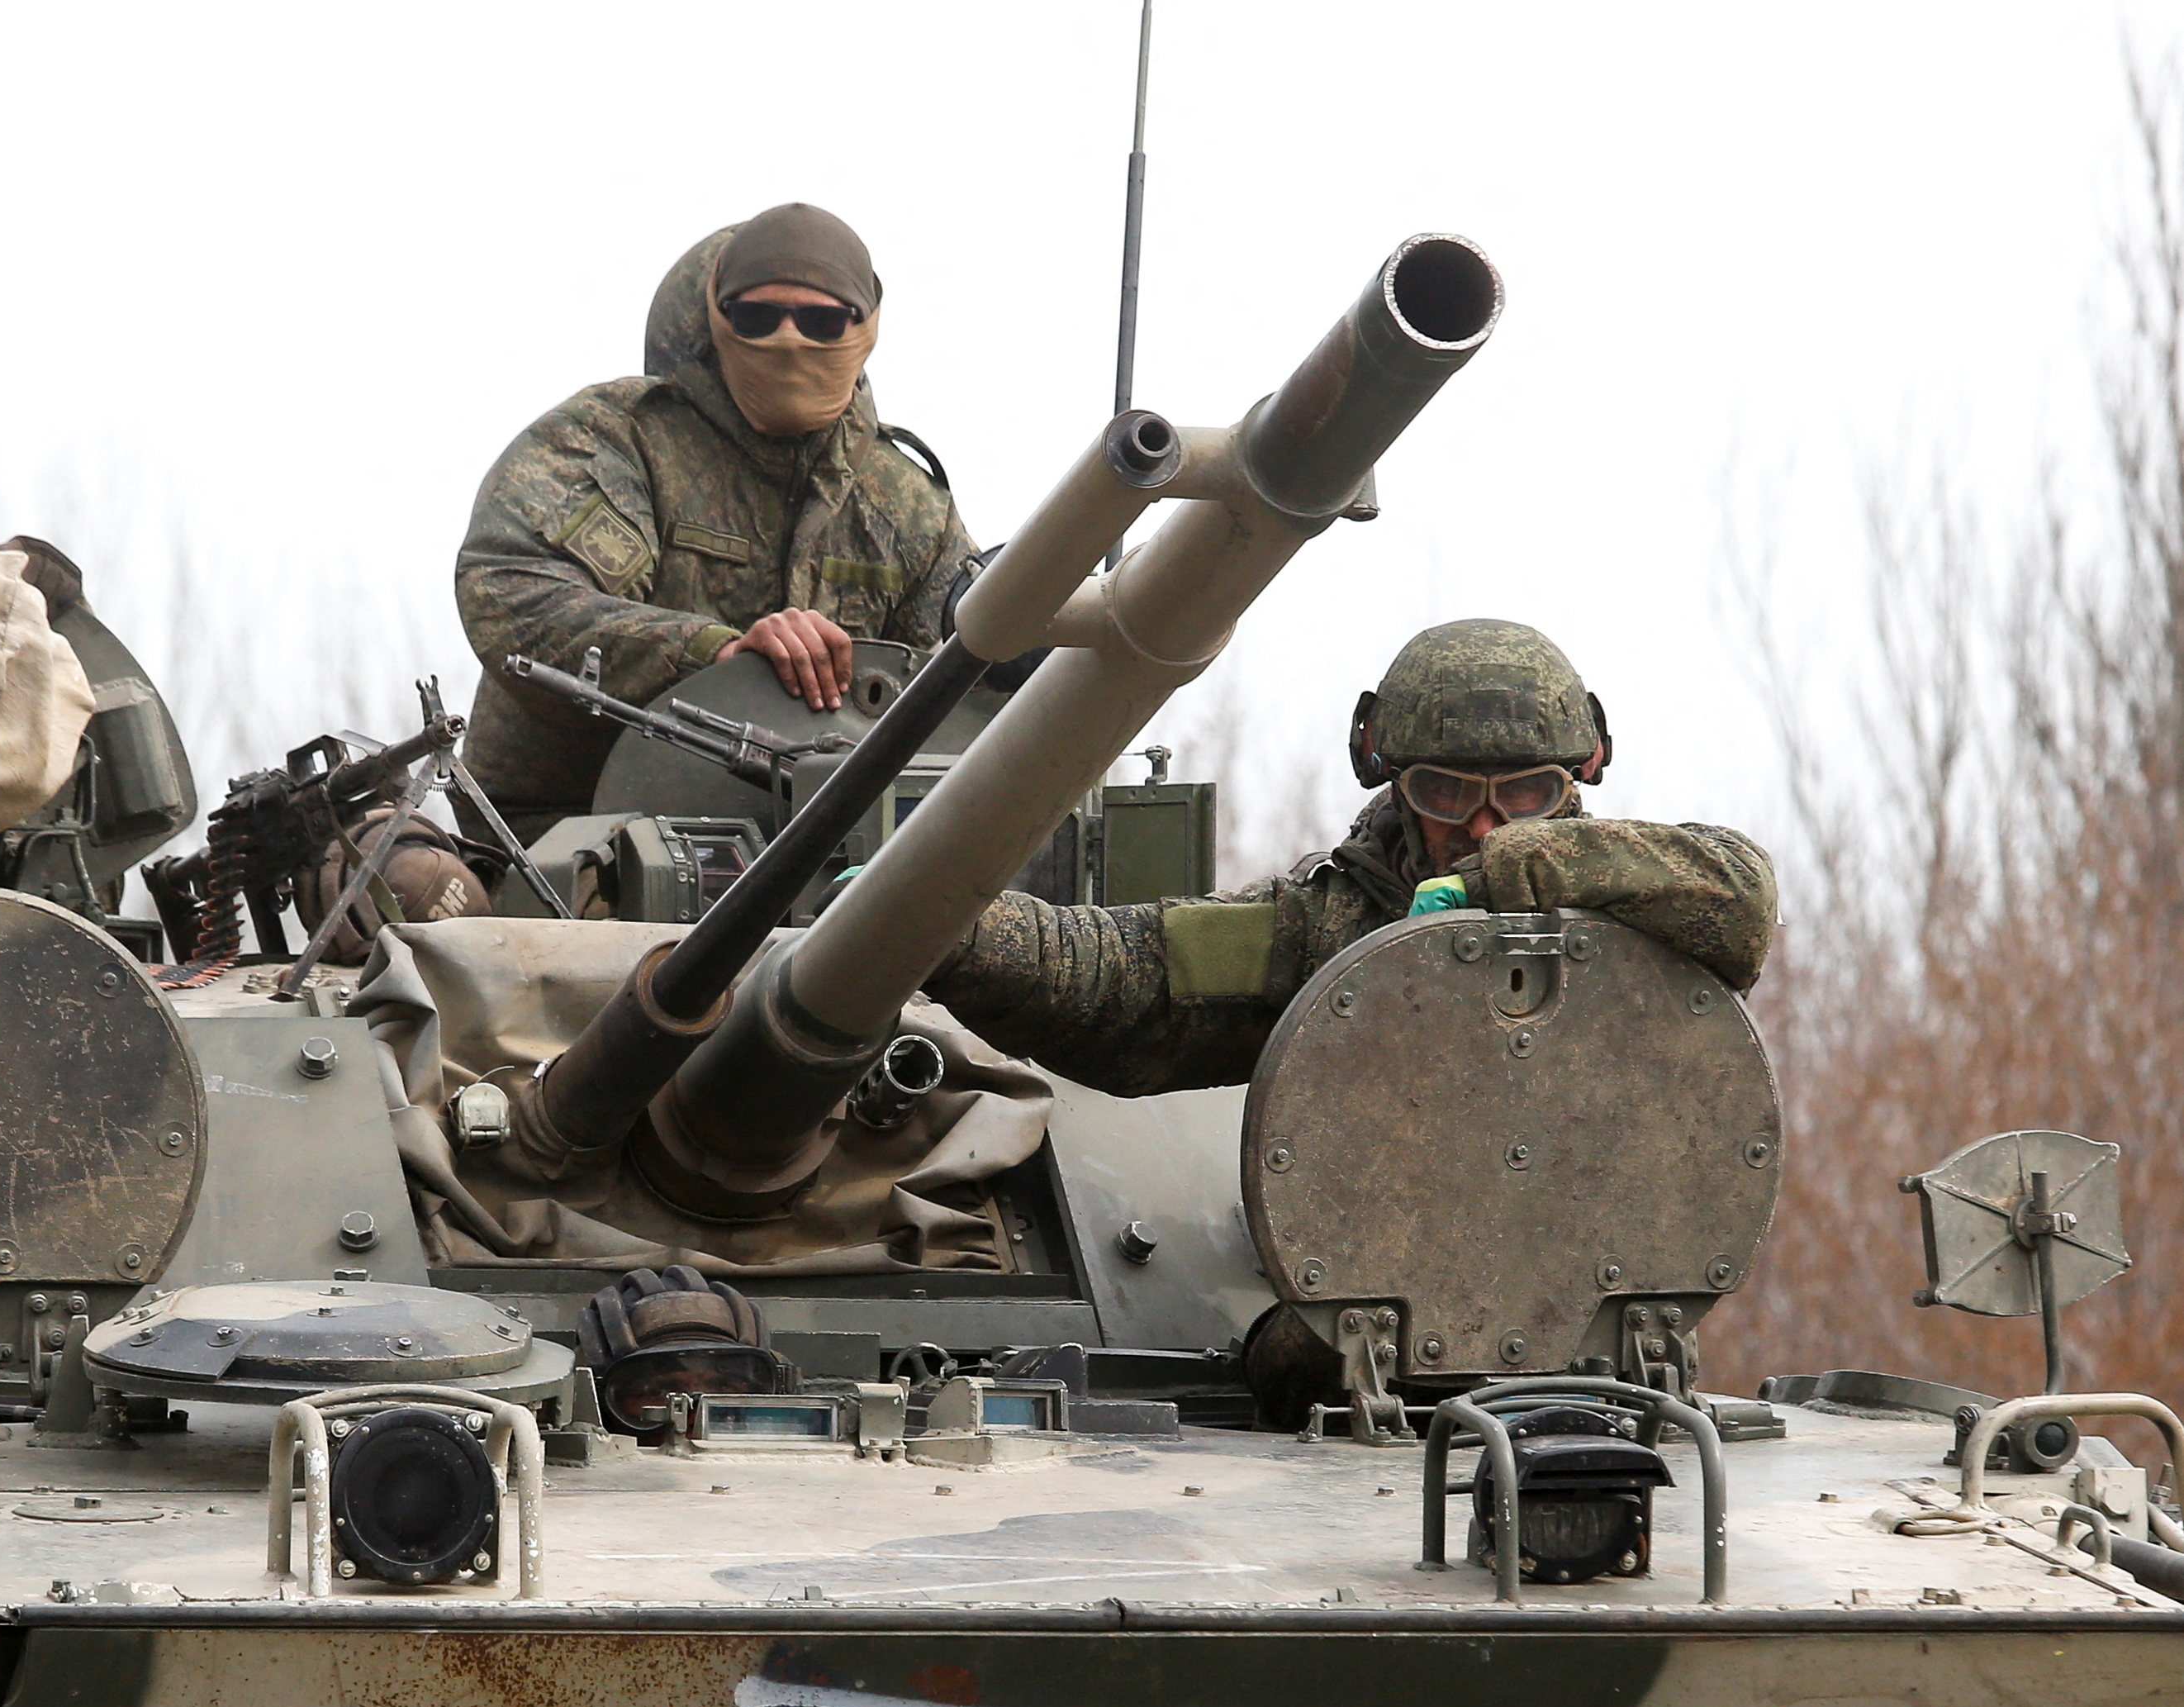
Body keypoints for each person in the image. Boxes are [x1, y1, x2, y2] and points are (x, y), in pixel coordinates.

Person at [922, 619, 1779, 1097]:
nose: (1484, 827)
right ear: (1387, 774)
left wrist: (1517, 872)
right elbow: (1121, 975)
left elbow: (1741, 896)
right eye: (1446, 793)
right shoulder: (1326, 931)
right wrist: (931, 925)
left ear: (1582, 773)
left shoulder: (1634, 896)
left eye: (1522, 794)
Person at [455, 203, 976, 839]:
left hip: (828, 858)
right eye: (757, 318)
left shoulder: (907, 506)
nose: (788, 340)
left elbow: (962, 683)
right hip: (564, 832)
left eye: (819, 321)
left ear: (864, 328)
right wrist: (713, 657)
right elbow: (511, 591)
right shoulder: (616, 443)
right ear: (716, 319)